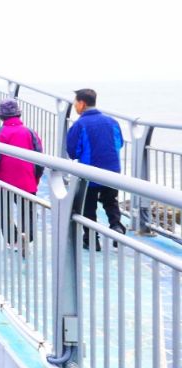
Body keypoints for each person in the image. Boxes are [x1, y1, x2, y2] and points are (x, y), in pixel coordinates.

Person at [66, 88, 126, 251]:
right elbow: (119, 143)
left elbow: (72, 152)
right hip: (112, 171)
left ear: (82, 103)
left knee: (88, 207)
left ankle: (91, 240)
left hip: (90, 173)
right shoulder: (112, 121)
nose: (74, 106)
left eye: (75, 103)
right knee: (111, 202)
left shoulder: (79, 125)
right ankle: (116, 227)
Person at [0, 99, 43, 250]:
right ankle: (27, 235)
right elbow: (39, 157)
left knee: (5, 212)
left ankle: (13, 241)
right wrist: (36, 177)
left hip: (2, 182)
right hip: (26, 181)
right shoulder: (30, 132)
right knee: (28, 211)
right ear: (18, 114)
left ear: (1, 116)